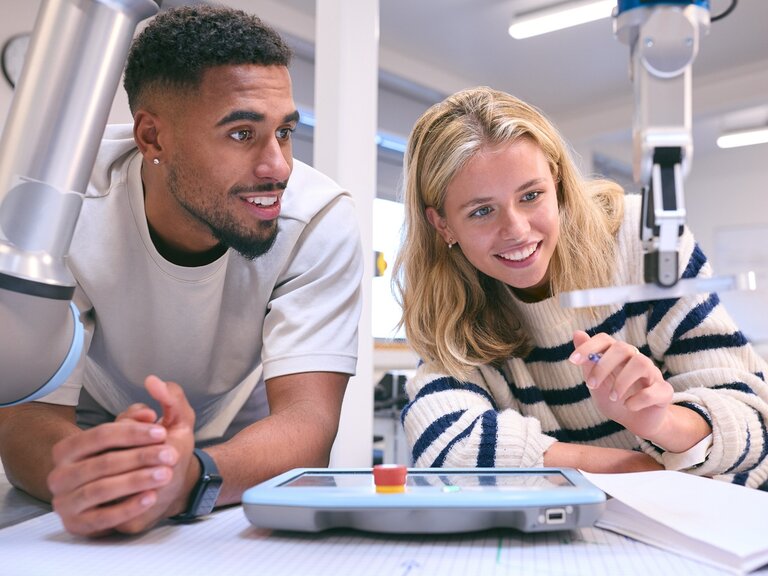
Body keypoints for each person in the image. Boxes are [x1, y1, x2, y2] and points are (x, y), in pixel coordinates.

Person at [0, 6, 363, 535]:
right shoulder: (66, 209)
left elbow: (306, 424)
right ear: (152, 138)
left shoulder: (319, 218)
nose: (278, 167)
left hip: (241, 447)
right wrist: (101, 477)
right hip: (90, 430)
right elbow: (24, 420)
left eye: (284, 132)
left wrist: (190, 476)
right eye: (242, 134)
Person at [393, 86, 768, 490]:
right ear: (443, 224)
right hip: (606, 529)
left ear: (556, 183)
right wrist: (646, 472)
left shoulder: (641, 238)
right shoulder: (449, 307)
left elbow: (752, 421)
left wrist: (660, 422)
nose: (517, 231)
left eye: (531, 195)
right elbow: (449, 450)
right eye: (482, 211)